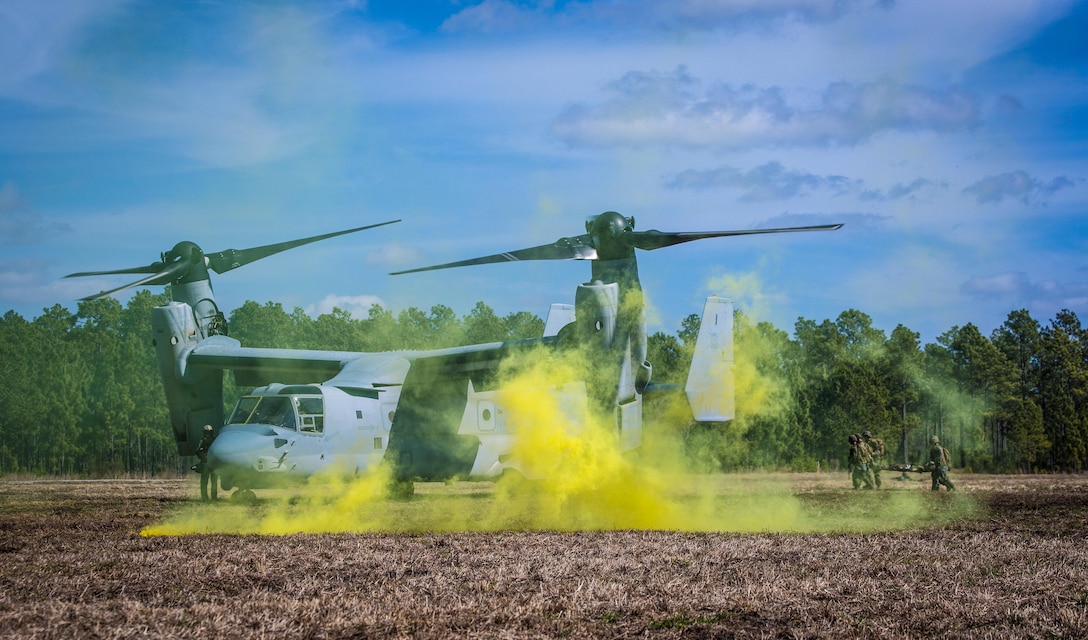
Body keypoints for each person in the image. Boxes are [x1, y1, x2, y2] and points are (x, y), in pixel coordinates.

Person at [196, 424, 218, 501]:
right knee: (210, 481)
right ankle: (210, 497)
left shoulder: (205, 440)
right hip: (210, 463)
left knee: (209, 482)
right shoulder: (214, 440)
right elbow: (199, 452)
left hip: (208, 463)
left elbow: (198, 452)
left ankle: (208, 497)